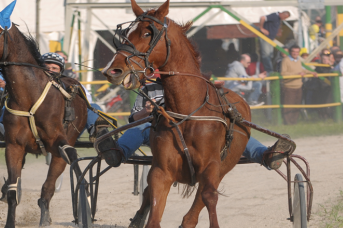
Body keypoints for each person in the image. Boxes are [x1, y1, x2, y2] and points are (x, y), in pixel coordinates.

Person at [97, 77, 292, 171]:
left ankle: (266, 156)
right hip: (159, 134)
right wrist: (147, 111)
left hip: (194, 135)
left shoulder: (196, 85)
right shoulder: (148, 89)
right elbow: (133, 120)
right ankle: (118, 153)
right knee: (139, 127)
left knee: (233, 132)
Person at [281, 44, 317, 125]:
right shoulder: (285, 60)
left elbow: (302, 70)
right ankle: (288, 123)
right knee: (289, 106)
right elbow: (283, 74)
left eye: (297, 52)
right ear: (290, 52)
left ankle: (294, 122)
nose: (295, 53)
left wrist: (311, 72)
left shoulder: (298, 60)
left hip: (299, 86)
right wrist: (297, 74)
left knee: (297, 105)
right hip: (289, 87)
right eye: (294, 52)